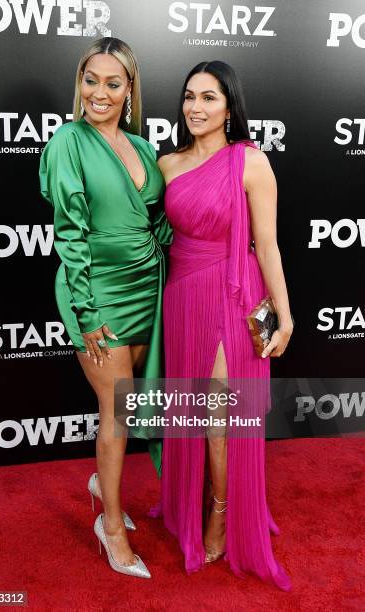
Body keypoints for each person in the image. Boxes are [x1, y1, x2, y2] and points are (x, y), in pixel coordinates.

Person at [156, 61, 293, 591]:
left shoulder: (251, 163)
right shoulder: (166, 164)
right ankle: (190, 502)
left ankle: (220, 511)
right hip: (183, 295)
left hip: (235, 295)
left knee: (221, 412)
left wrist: (284, 312)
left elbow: (269, 245)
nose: (196, 107)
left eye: (209, 98)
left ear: (229, 106)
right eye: (190, 96)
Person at [39, 37, 171, 579]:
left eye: (112, 83)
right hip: (99, 292)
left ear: (129, 90)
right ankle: (110, 526)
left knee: (135, 405)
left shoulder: (141, 148)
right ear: (80, 85)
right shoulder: (68, 140)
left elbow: (158, 218)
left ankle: (102, 483)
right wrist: (87, 311)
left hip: (149, 288)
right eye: (90, 81)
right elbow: (70, 231)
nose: (100, 92)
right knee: (116, 412)